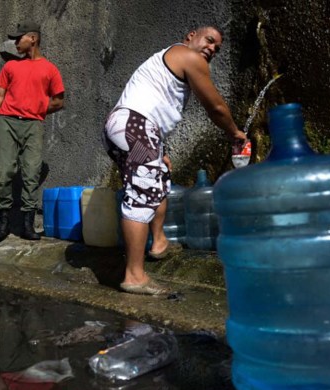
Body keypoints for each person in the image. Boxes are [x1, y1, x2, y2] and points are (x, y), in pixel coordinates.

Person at [103, 25, 247, 295]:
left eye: (217, 47)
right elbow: (216, 107)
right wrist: (235, 132)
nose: (213, 48)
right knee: (142, 194)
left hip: (130, 126)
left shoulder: (165, 61)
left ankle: (159, 243)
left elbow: (152, 104)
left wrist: (160, 148)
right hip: (135, 125)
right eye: (210, 40)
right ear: (190, 36)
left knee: (159, 178)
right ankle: (134, 276)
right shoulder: (187, 56)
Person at [0, 21, 65, 244]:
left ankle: (27, 225)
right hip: (7, 122)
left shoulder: (50, 69)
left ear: (32, 39)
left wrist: (37, 106)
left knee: (31, 172)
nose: (15, 42)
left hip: (33, 125)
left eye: (19, 38)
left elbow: (59, 101)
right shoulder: (11, 67)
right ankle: (3, 223)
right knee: (4, 171)